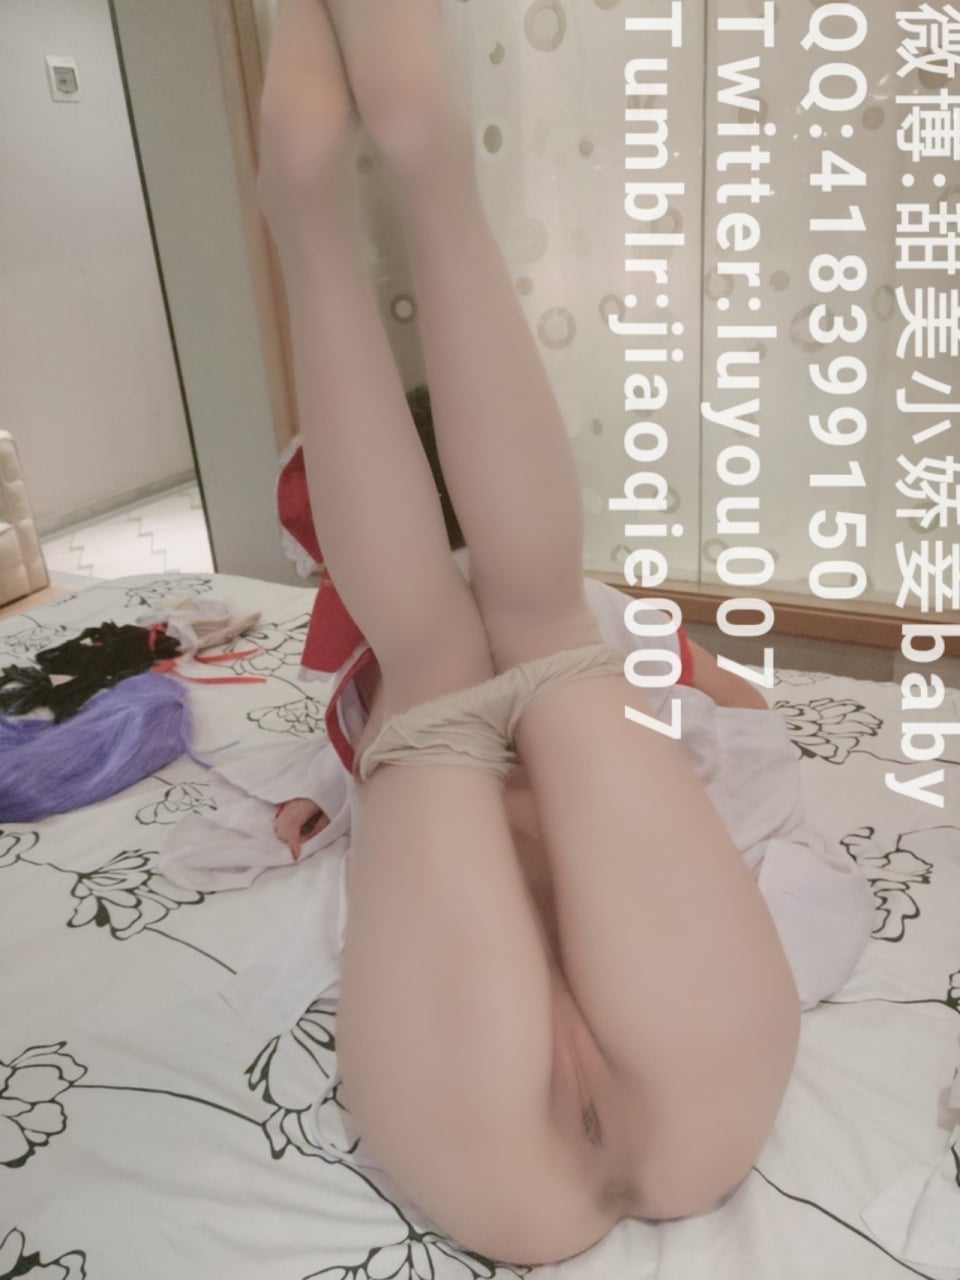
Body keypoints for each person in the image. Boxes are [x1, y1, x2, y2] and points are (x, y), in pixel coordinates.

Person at [255, 0, 805, 1264]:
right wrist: (706, 698)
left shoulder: (366, 677)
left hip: (506, 1089)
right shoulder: (586, 630)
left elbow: (335, 786)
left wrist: (318, 791)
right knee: (540, 620)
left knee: (447, 653)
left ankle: (310, 209)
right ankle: (413, 153)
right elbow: (738, 703)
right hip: (680, 1049)